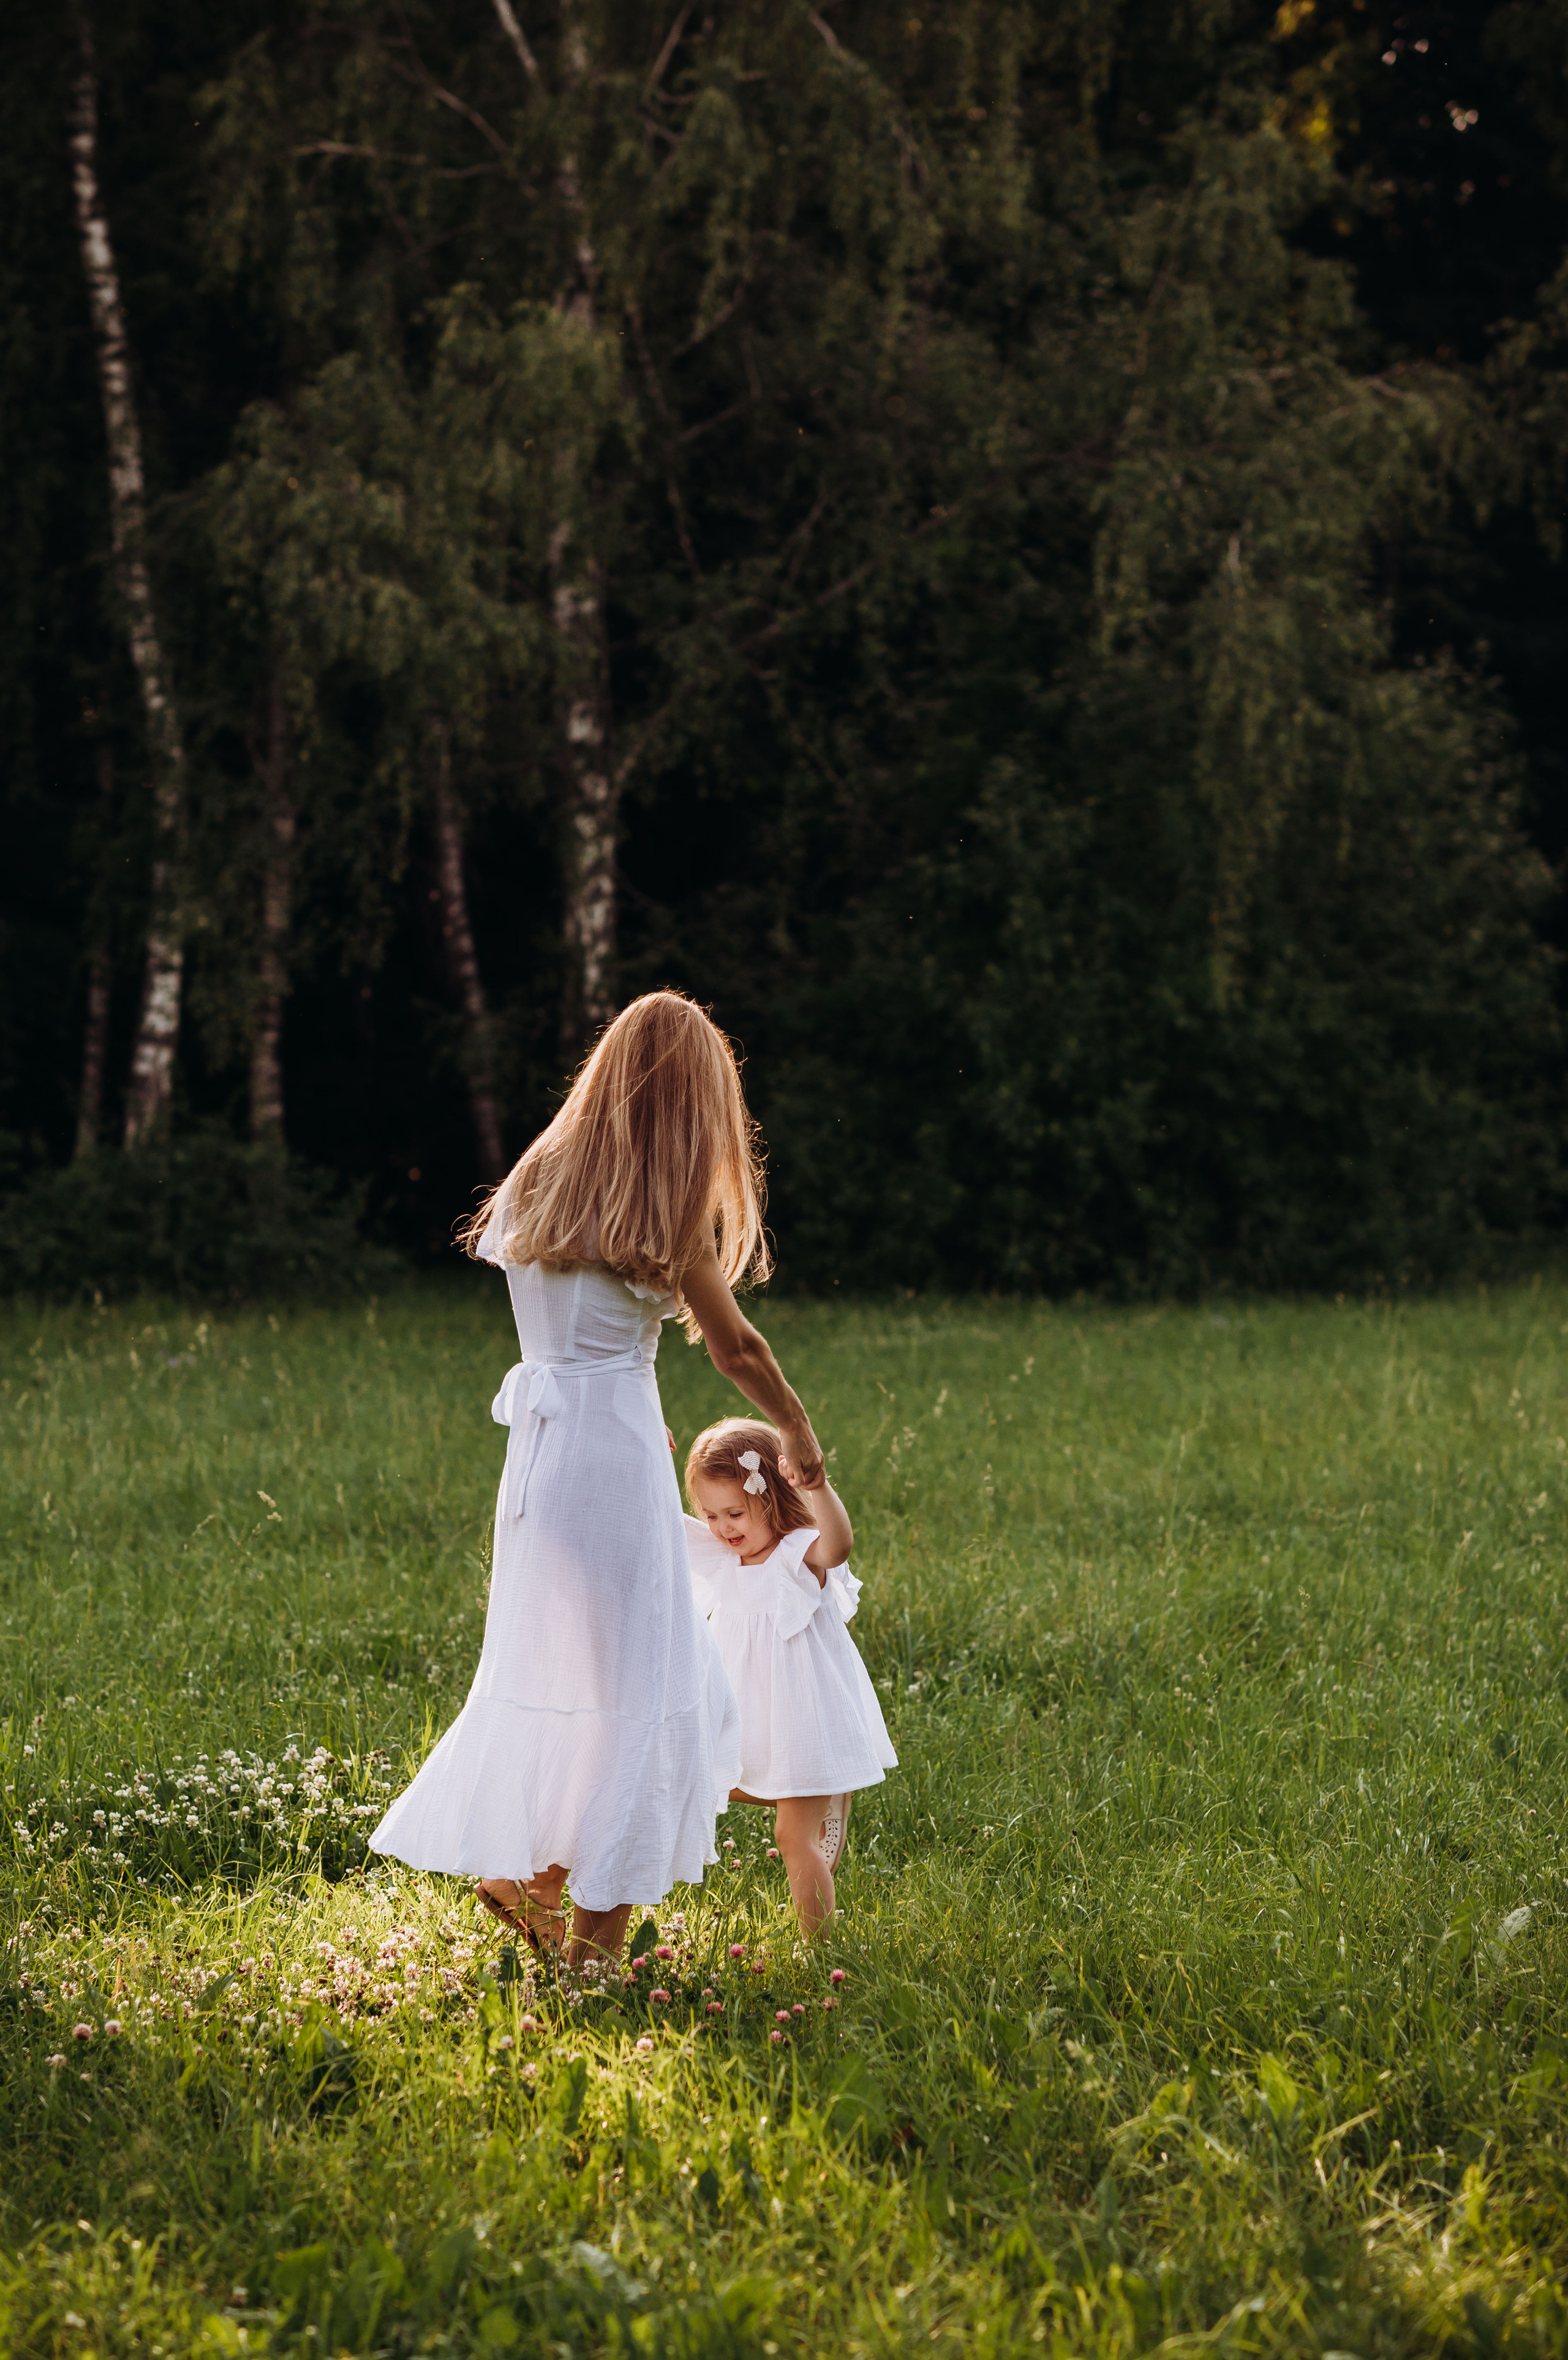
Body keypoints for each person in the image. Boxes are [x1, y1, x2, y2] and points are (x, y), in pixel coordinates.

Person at [368, 990, 829, 1970]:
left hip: (542, 1458)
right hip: (612, 1457)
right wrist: (795, 1427)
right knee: (658, 1692)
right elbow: (736, 1347)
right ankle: (593, 1955)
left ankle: (532, 1880)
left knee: (580, 1674)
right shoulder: (660, 1210)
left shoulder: (538, 1181)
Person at [684, 1418, 897, 1937]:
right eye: (710, 1515)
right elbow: (651, 1523)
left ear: (773, 1498)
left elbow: (838, 1547)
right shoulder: (722, 1557)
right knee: (698, 1777)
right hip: (746, 1713)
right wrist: (642, 1445)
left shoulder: (796, 1554)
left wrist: (817, 1486)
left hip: (805, 1718)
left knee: (791, 1836)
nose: (723, 1528)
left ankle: (821, 1953)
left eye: (735, 1513)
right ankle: (825, 1794)